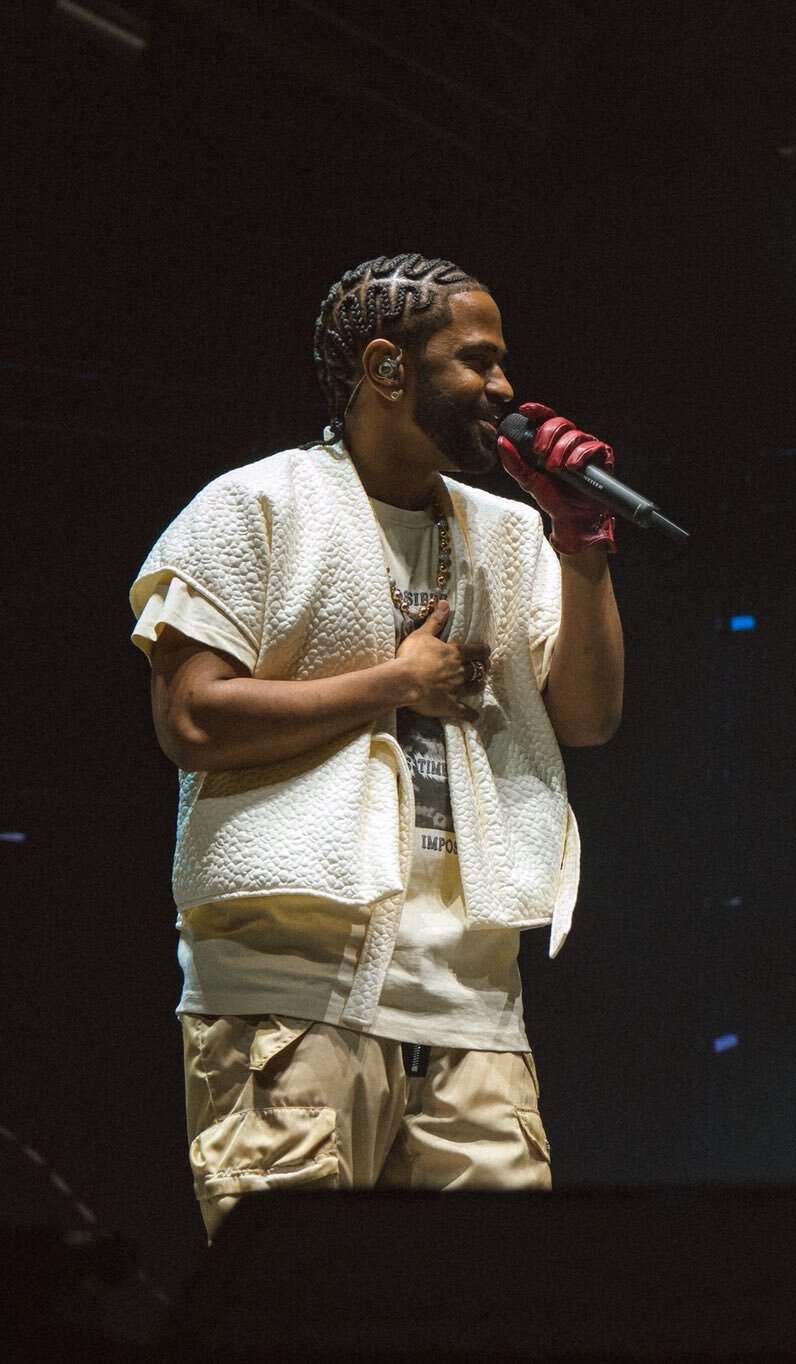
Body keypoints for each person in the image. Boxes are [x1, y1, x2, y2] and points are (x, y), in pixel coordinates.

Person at [130, 254, 628, 1238]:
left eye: (501, 363)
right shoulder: (256, 506)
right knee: (296, 1311)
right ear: (387, 368)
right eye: (476, 361)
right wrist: (391, 685)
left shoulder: (510, 532)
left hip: (471, 1002)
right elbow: (191, 717)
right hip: (288, 998)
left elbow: (587, 716)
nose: (502, 387)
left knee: (491, 1317)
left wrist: (581, 543)